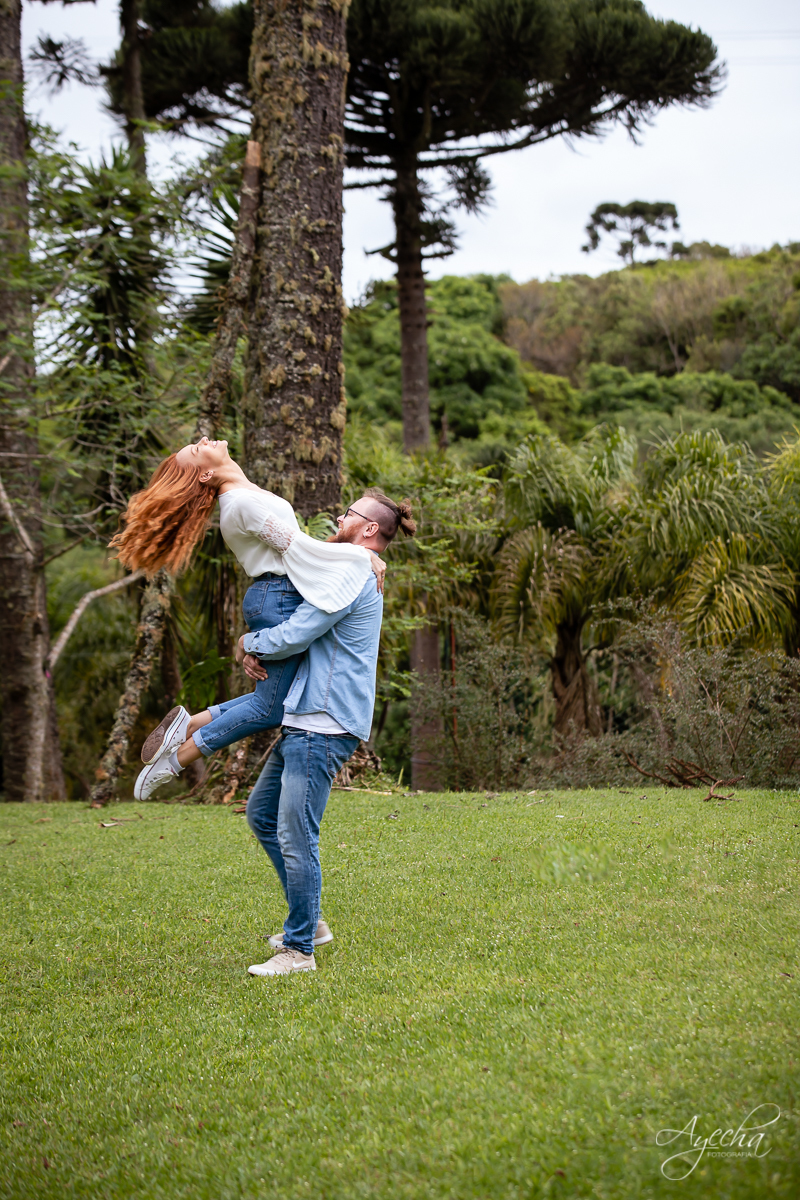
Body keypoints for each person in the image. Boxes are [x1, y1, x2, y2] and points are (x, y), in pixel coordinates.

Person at [108, 437, 386, 800]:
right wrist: (361, 557)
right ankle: (176, 761)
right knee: (269, 709)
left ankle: (188, 724)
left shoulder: (243, 495)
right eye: (196, 449)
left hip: (275, 596)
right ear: (206, 472)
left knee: (271, 698)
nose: (202, 440)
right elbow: (298, 547)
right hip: (279, 596)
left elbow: (296, 547)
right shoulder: (241, 504)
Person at [241, 489, 416, 977]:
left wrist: (251, 642)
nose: (339, 516)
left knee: (298, 834)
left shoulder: (352, 570)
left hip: (324, 720)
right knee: (261, 815)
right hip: (306, 715)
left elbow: (300, 629)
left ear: (367, 530)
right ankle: (311, 922)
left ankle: (299, 950)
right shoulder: (350, 563)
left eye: (350, 513)